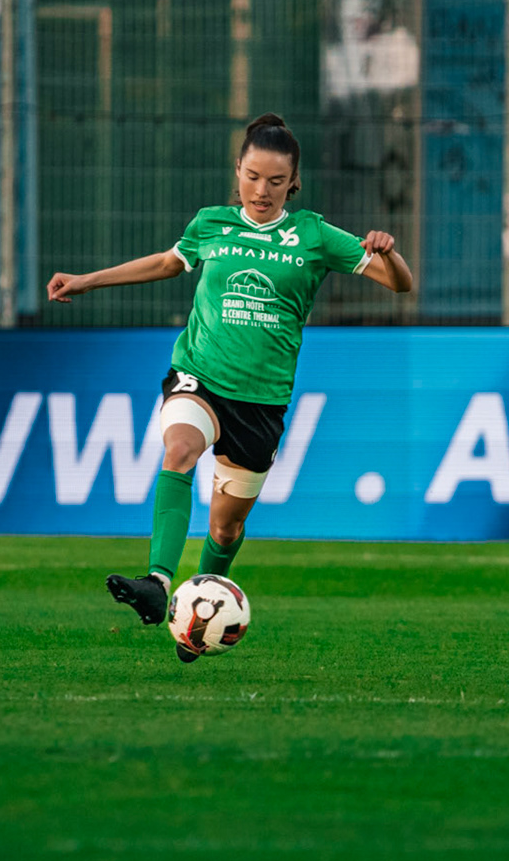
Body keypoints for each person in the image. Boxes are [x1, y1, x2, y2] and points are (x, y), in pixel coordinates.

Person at [46, 113, 414, 659]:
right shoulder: (211, 224)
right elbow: (168, 264)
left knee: (224, 530)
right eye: (251, 175)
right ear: (237, 171)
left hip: (260, 402)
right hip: (200, 374)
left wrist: (389, 252)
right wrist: (87, 279)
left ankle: (199, 617)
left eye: (274, 180)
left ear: (293, 183)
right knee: (179, 450)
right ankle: (158, 582)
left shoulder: (314, 235)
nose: (260, 190)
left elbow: (400, 284)